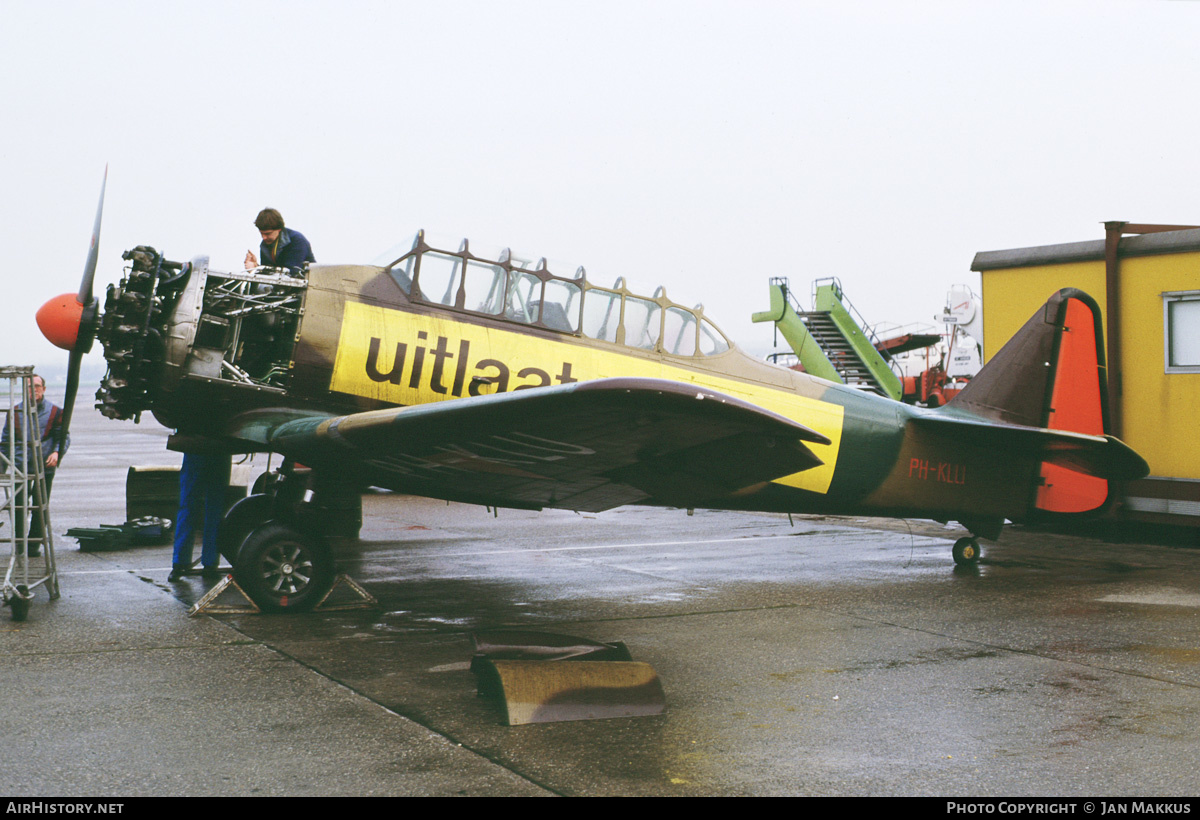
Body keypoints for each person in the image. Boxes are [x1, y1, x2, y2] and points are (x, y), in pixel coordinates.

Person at [1, 373, 68, 557]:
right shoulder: (14, 412)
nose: (34, 390)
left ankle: (34, 545)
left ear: (44, 389)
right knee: (18, 507)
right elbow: (5, 441)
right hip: (19, 468)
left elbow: (63, 437)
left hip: (44, 467)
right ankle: (20, 544)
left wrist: (57, 453)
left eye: (37, 386)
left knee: (40, 507)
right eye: (30, 387)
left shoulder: (56, 412)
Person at [169, 452, 232, 581]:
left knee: (188, 505)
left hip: (197, 448)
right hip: (219, 449)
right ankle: (210, 562)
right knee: (214, 508)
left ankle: (180, 562)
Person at [243, 208, 315, 275]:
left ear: (279, 229)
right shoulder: (266, 244)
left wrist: (257, 270)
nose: (264, 237)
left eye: (268, 234)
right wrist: (256, 268)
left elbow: (291, 273)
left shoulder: (297, 240)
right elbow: (269, 275)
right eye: (261, 233)